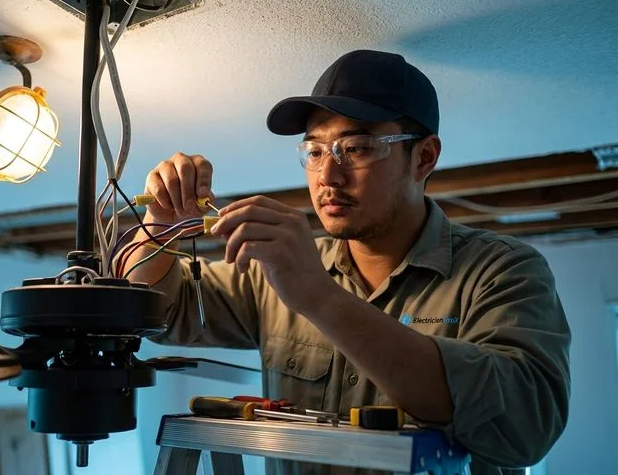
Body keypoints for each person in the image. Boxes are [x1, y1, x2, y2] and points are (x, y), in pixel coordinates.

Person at [123, 50, 571, 475]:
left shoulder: (502, 271)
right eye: (315, 151)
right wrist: (159, 224)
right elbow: (156, 314)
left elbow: (523, 430)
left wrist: (318, 297)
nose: (328, 176)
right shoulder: (274, 274)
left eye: (355, 148)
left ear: (425, 157)